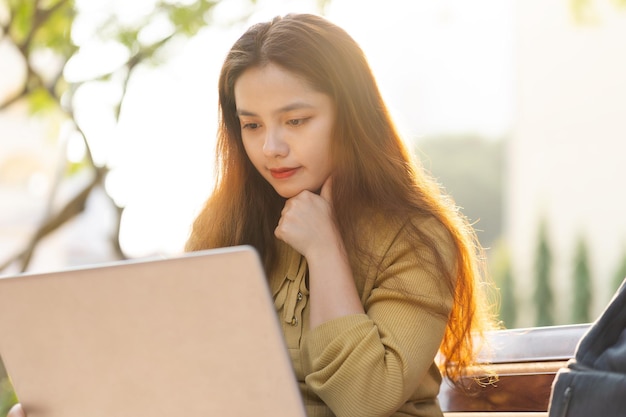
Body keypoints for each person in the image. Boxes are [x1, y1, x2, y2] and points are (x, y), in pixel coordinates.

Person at [8, 12, 494, 417]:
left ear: (351, 114)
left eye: (296, 121)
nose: (272, 148)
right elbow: (178, 371)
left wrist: (324, 250)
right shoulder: (223, 222)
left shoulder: (416, 238)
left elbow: (362, 400)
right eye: (252, 125)